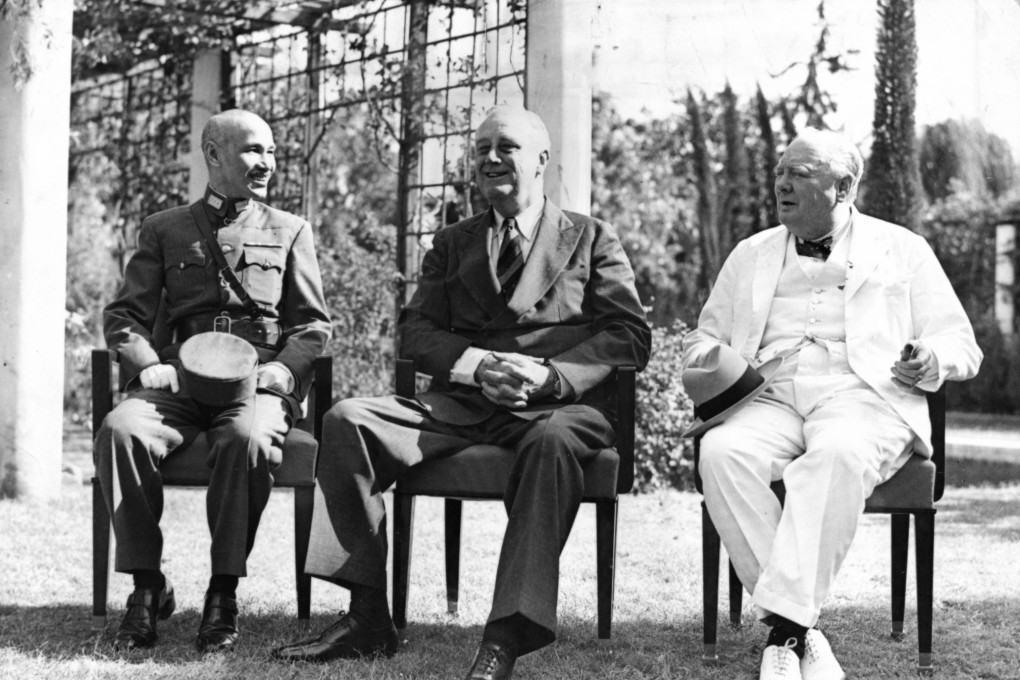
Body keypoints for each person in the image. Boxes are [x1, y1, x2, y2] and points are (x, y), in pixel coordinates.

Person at [271, 105, 651, 680]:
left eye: (506, 147)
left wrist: (548, 374)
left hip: (561, 409)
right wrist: (477, 366)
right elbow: (416, 330)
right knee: (349, 418)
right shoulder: (452, 242)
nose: (491, 159)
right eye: (480, 151)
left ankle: (503, 637)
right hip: (466, 404)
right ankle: (368, 616)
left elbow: (629, 334)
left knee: (550, 442)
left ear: (542, 160)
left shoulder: (592, 237)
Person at [681, 127, 982, 680]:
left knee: (837, 455)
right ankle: (800, 629)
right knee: (722, 453)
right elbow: (704, 336)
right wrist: (713, 363)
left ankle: (783, 633)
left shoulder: (903, 248)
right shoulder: (750, 254)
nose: (782, 183)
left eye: (799, 173)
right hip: (768, 396)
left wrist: (929, 358)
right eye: (779, 171)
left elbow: (961, 345)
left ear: (843, 186)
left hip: (862, 395)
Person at [95, 109, 331, 653]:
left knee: (245, 440)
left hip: (253, 381)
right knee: (121, 429)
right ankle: (148, 588)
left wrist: (284, 368)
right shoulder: (165, 228)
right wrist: (144, 360)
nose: (266, 162)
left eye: (271, 151)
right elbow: (125, 315)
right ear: (214, 155)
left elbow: (314, 325)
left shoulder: (290, 230)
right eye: (253, 150)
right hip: (178, 380)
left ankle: (223, 592)